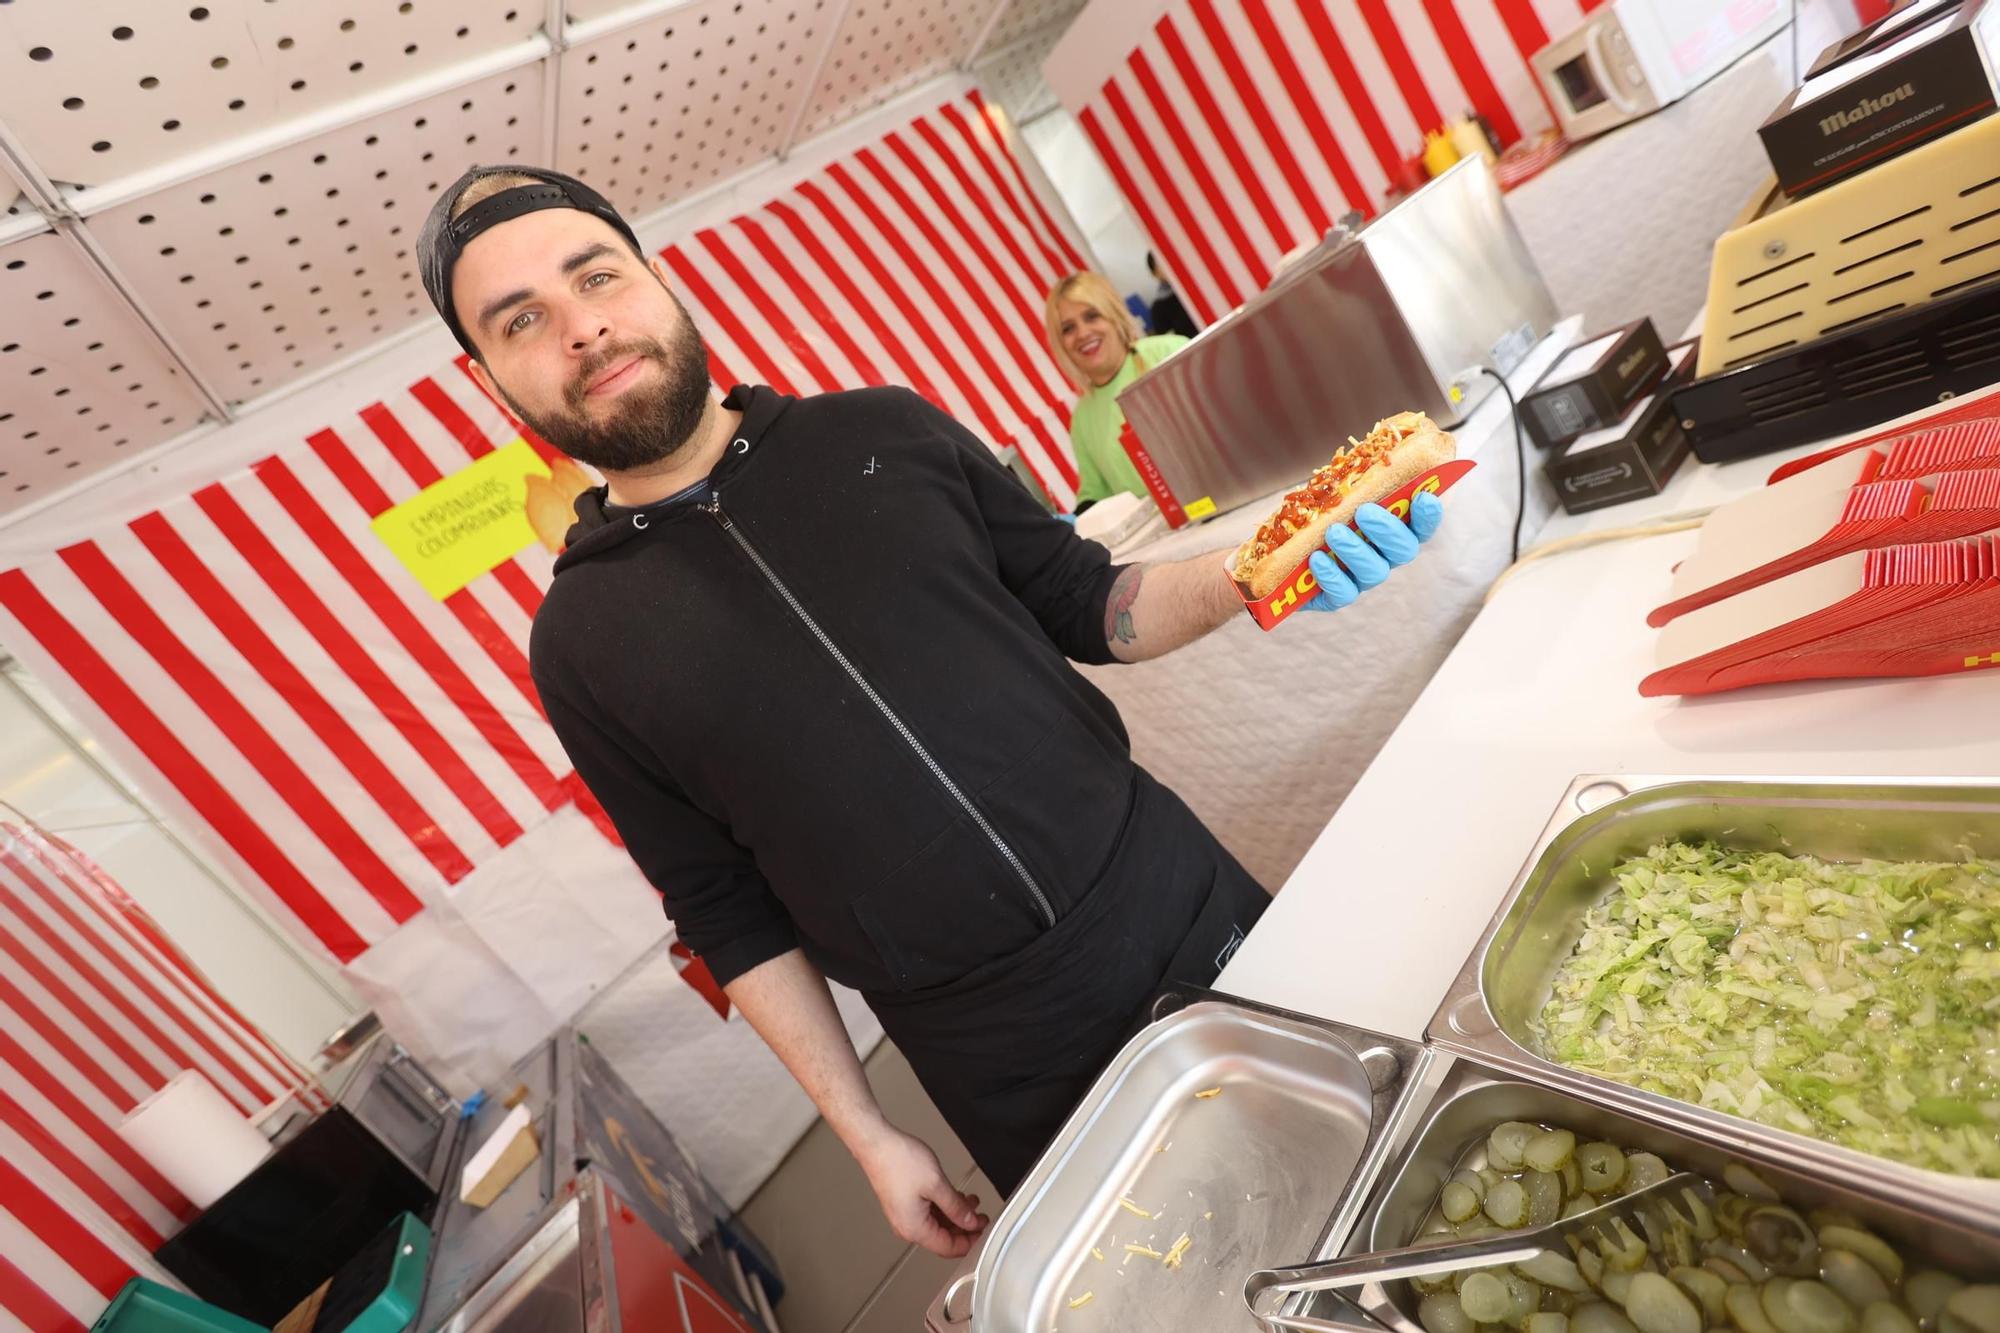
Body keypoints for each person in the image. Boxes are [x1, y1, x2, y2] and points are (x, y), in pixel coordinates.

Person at [418, 165, 1445, 1261]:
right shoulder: (580, 643)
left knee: (1413, 1172)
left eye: (595, 276)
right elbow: (724, 912)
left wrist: (1252, 571)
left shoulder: (885, 430)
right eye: (523, 319)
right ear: (489, 379)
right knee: (1205, 1278)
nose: (582, 327)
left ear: (658, 281)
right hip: (991, 1052)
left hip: (1176, 892)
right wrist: (865, 1133)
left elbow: (1091, 601)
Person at [1046, 271, 1190, 510]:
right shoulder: (1082, 419)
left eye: (1092, 316)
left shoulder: (1169, 353)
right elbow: (1094, 494)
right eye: (1068, 328)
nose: (1082, 333)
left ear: (1114, 315)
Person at [1146, 251, 1199, 340]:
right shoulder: (1159, 308)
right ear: (1154, 274)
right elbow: (1167, 340)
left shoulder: (1197, 286)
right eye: (1160, 264)